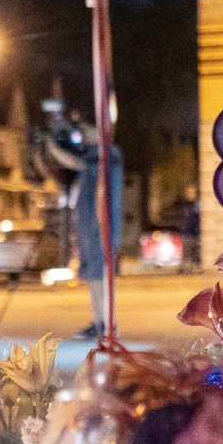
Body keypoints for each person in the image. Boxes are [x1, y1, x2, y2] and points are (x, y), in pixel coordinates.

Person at [74, 120, 123, 341]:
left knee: (101, 278)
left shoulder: (107, 155)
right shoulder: (91, 156)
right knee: (93, 279)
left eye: (87, 130)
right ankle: (99, 323)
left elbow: (78, 164)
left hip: (100, 228)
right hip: (89, 228)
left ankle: (109, 324)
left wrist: (54, 148)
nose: (83, 135)